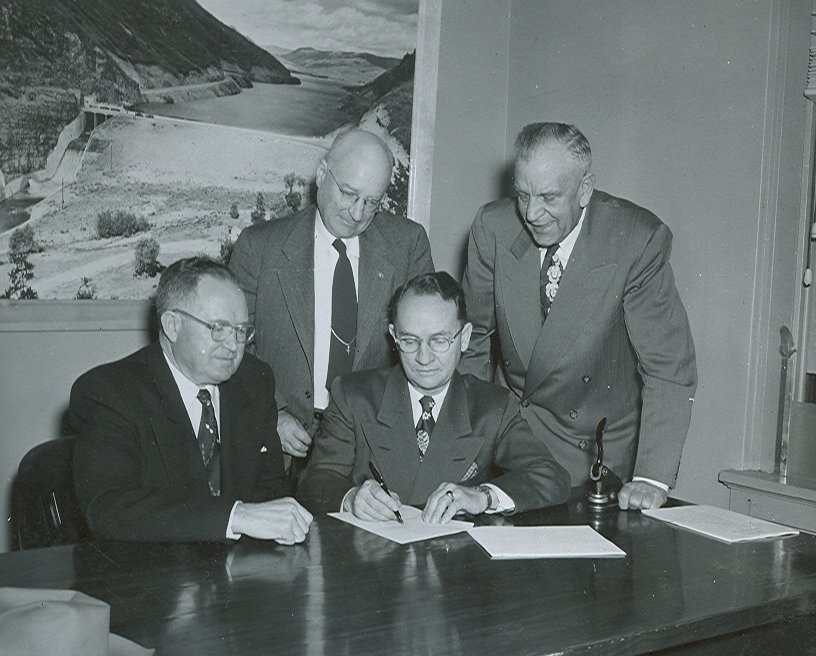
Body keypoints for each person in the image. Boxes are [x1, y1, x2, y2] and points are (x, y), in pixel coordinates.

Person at [459, 122, 697, 511]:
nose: (532, 213)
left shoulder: (636, 240)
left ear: (585, 188)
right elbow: (473, 343)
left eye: (549, 197)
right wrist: (464, 447)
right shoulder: (493, 227)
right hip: (510, 451)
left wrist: (651, 478)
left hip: (594, 464)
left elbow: (669, 367)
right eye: (522, 195)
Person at [230, 129, 434, 477]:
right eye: (349, 193)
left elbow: (424, 349)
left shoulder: (407, 244)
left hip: (370, 447)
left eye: (372, 202)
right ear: (322, 175)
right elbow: (233, 349)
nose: (357, 213)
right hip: (279, 443)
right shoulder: (259, 248)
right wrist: (272, 414)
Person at [70, 257, 313, 543]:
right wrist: (234, 517)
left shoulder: (254, 380)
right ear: (172, 326)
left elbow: (270, 488)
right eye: (218, 329)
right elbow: (108, 508)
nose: (233, 346)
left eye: (240, 331)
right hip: (151, 573)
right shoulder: (110, 391)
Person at [298, 272, 570, 522]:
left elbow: (552, 476)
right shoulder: (354, 396)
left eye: (439, 341)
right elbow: (315, 479)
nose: (423, 358)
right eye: (409, 341)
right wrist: (352, 498)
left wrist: (483, 496)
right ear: (393, 336)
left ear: (464, 338)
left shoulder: (492, 407)